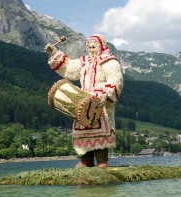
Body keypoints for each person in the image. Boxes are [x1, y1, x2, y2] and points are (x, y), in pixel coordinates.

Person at [44, 34, 124, 168]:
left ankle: (102, 161)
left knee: (101, 130)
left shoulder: (109, 61)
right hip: (83, 100)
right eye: (89, 47)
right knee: (84, 130)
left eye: (94, 47)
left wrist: (105, 94)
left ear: (101, 46)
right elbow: (69, 68)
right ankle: (86, 160)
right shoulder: (84, 61)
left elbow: (116, 80)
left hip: (100, 101)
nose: (91, 49)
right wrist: (54, 52)